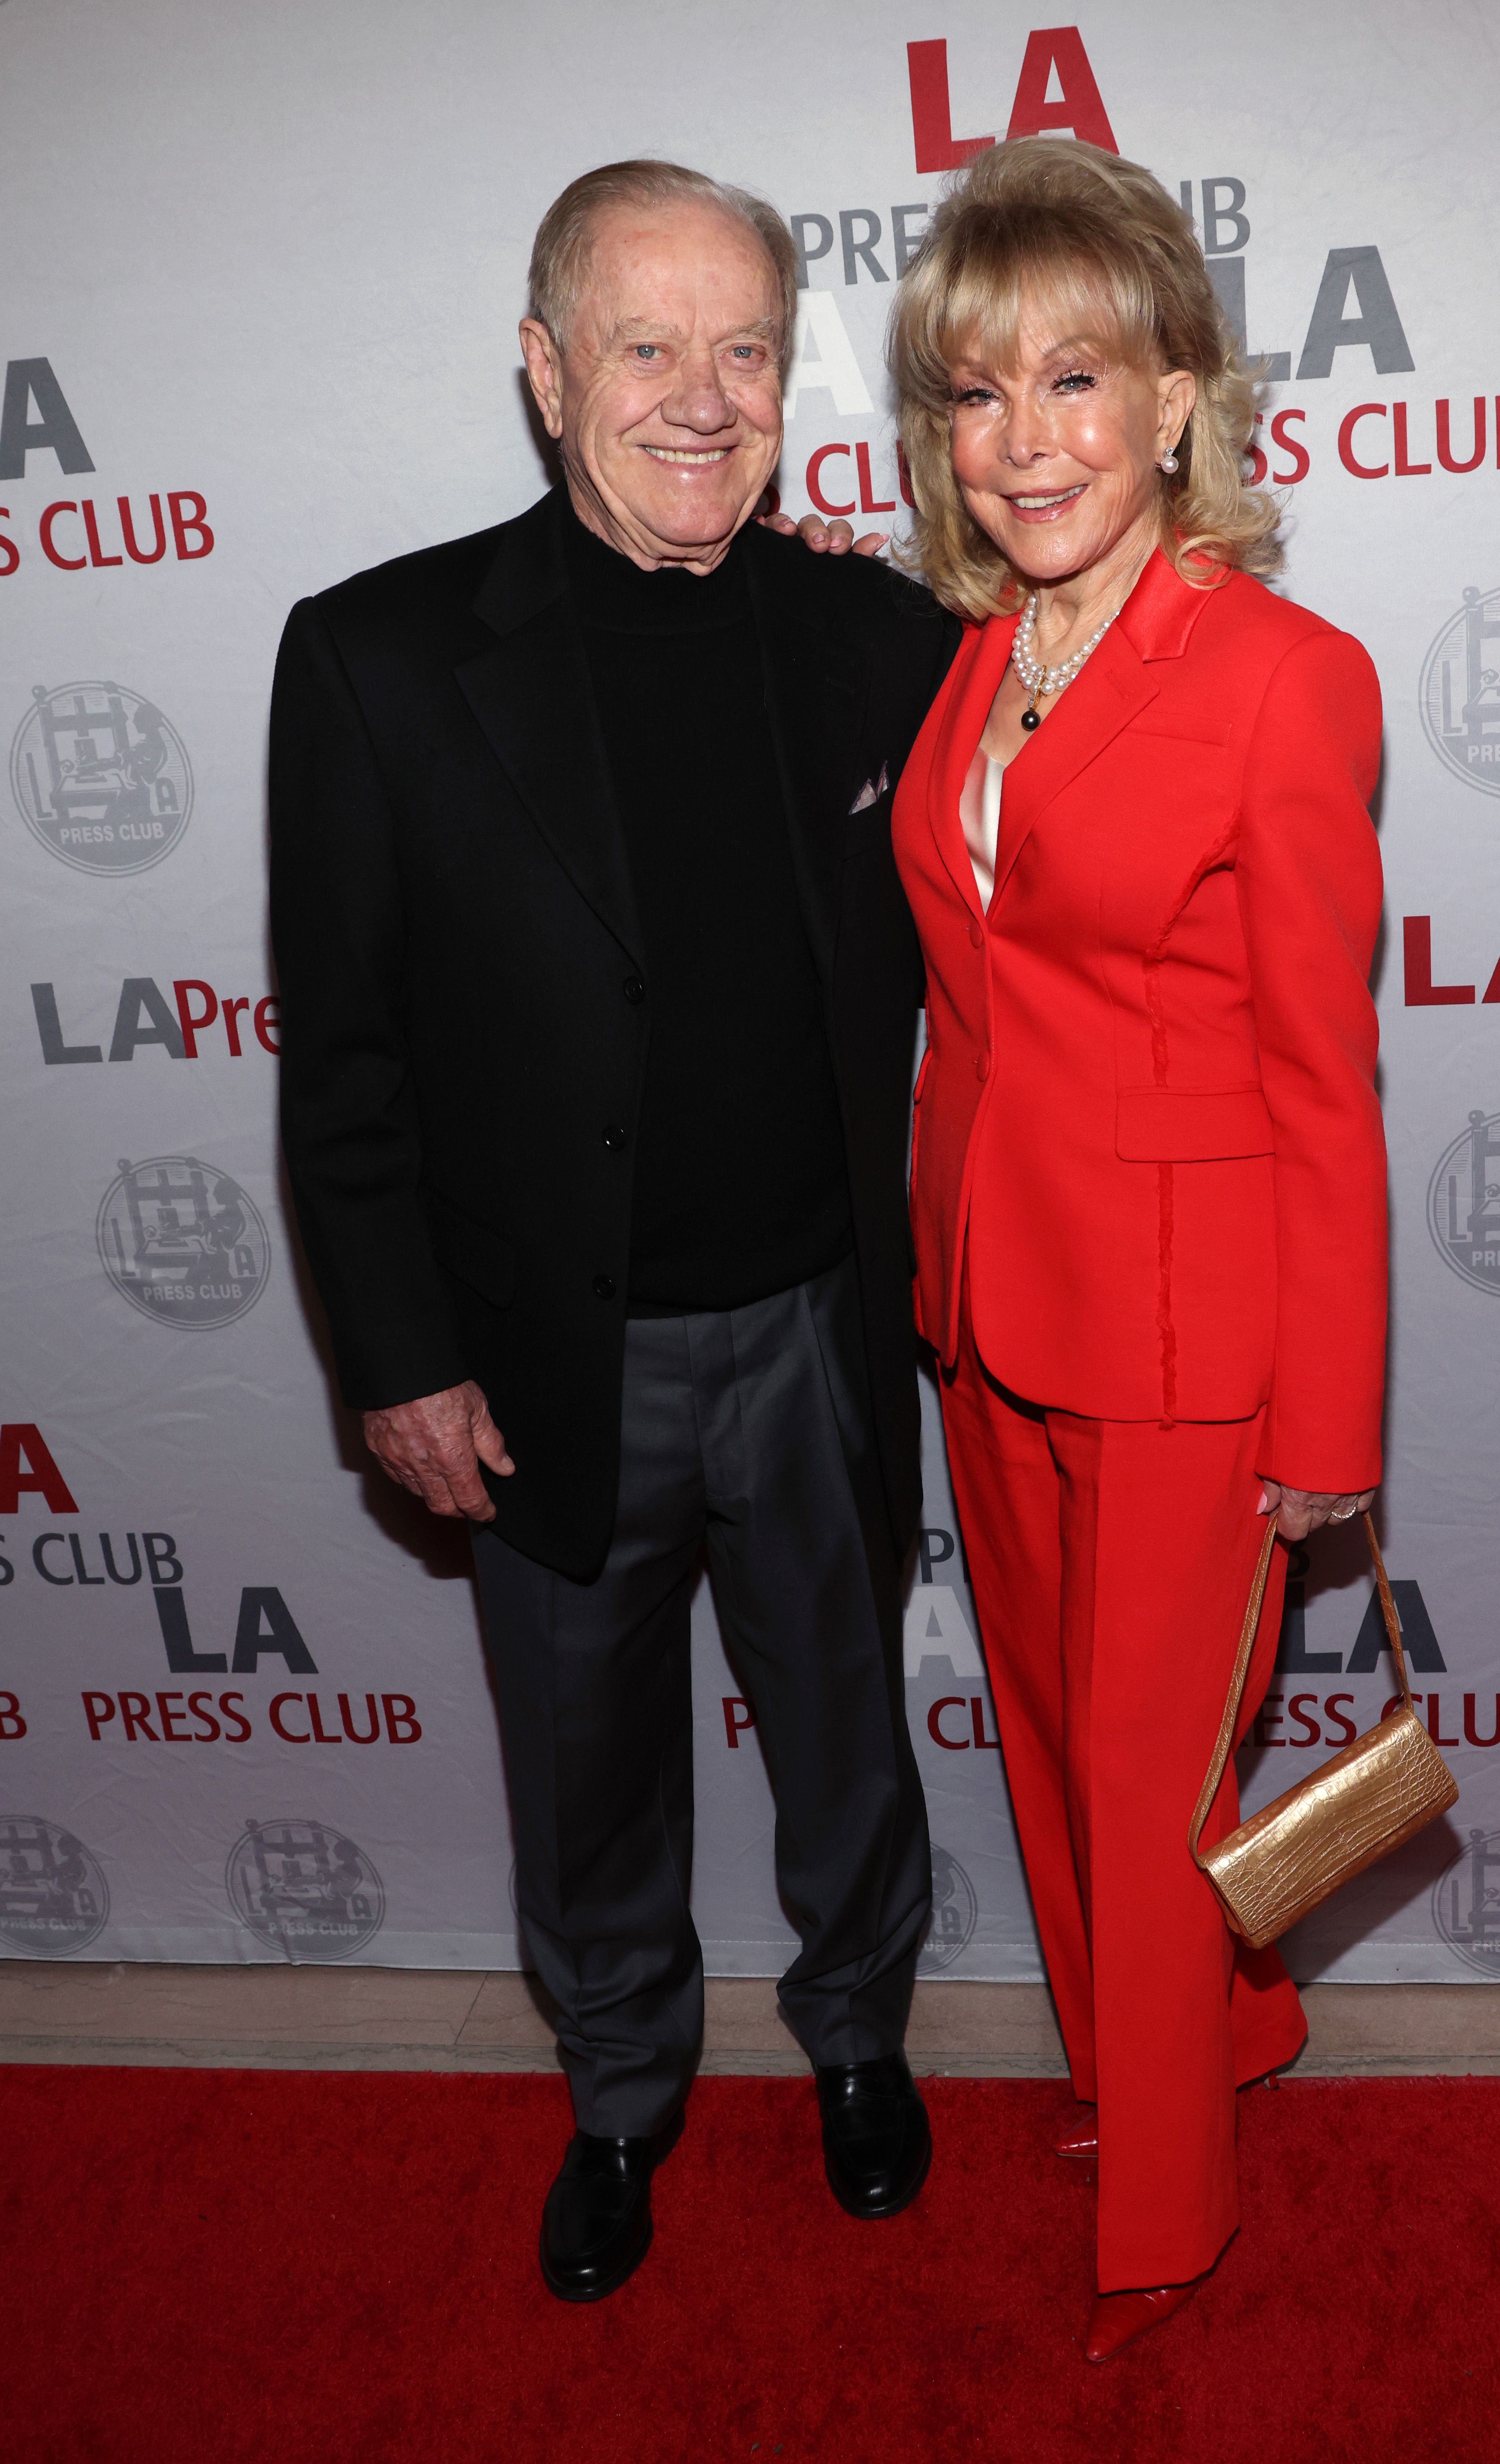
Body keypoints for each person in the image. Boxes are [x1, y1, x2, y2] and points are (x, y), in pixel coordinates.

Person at [269, 158, 960, 2304]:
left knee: (847, 1733)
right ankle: (625, 2096)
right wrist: (392, 1355)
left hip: (825, 1324)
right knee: (586, 1778)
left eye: (744, 346)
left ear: (789, 376)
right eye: (645, 344)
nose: (699, 396)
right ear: (545, 364)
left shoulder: (874, 631)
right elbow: (347, 1059)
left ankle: (858, 2038)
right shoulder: (378, 659)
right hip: (546, 1357)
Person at [886, 138, 1387, 2362]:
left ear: (1178, 396)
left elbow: (1319, 1084)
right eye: (983, 399)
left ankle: (1165, 2229)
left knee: (1157, 1776)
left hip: (1194, 1342)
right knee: (1060, 1750)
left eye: (1077, 383)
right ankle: (1180, 2058)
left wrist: (1329, 1420)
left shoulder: (1286, 677)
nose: (1029, 447)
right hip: (992, 1316)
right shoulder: (978, 653)